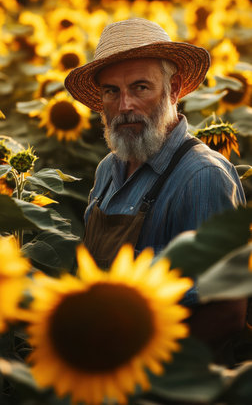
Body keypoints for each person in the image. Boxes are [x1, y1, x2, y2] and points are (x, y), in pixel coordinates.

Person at [65, 18, 247, 363]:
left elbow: (226, 311)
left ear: (174, 89)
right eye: (111, 91)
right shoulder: (108, 169)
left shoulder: (202, 175)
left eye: (140, 88)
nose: (124, 106)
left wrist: (132, 366)